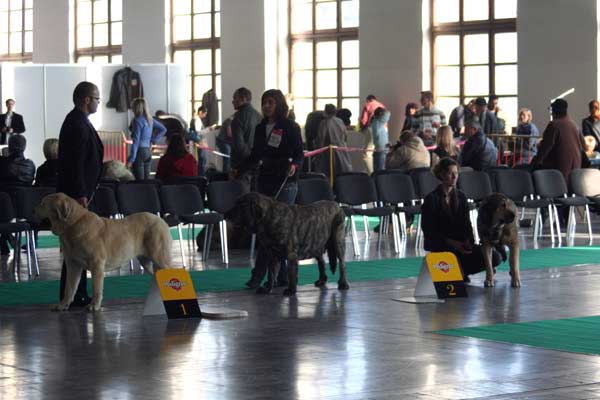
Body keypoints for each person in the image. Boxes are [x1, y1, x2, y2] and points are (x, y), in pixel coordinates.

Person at [240, 89, 303, 290]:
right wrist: (239, 170)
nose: (266, 106)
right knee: (268, 232)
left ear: (279, 104)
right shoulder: (260, 128)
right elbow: (255, 155)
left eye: (270, 102)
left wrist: (295, 165)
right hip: (265, 181)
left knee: (275, 231)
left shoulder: (290, 126)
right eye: (264, 102)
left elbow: (299, 153)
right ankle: (281, 276)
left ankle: (259, 276)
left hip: (285, 181)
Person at [56, 81, 104, 307]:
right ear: (86, 100)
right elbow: (74, 163)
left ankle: (76, 294)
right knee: (75, 246)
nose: (98, 102)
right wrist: (80, 194)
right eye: (96, 98)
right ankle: (74, 295)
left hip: (82, 193)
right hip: (78, 196)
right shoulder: (76, 123)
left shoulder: (79, 121)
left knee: (80, 245)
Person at [421, 157, 501, 281]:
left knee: (495, 257)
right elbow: (429, 230)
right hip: (442, 246)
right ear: (441, 175)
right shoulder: (431, 199)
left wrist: (468, 241)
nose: (454, 177)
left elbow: (467, 223)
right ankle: (459, 273)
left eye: (456, 173)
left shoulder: (461, 196)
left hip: (461, 244)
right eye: (450, 173)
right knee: (452, 269)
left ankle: (462, 272)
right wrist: (453, 243)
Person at [0, 134, 35, 255]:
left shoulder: (2, 163)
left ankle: (5, 240)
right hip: (24, 208)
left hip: (4, 208)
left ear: (9, 147)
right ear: (24, 147)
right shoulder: (30, 165)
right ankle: (6, 239)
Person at [533, 99, 584, 179]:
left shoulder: (554, 125)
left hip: (559, 171)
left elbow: (545, 147)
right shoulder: (574, 125)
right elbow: (582, 146)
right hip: (575, 173)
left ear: (554, 111)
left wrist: (535, 163)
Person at [127, 98, 167, 180]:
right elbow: (163, 129)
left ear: (136, 108)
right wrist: (154, 140)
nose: (132, 110)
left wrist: (131, 159)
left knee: (139, 182)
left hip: (139, 152)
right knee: (147, 180)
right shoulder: (150, 119)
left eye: (133, 107)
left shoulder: (137, 121)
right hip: (148, 151)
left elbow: (136, 141)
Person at [230, 87, 261, 189]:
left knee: (242, 200)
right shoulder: (259, 116)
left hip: (241, 166)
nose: (232, 101)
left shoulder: (237, 118)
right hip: (257, 164)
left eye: (235, 98)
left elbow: (239, 146)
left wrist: (247, 162)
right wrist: (255, 159)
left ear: (243, 99)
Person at [314, 104, 353, 177]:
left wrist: (318, 152)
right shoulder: (340, 121)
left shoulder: (324, 123)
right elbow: (345, 136)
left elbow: (321, 138)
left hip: (329, 152)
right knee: (342, 172)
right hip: (342, 149)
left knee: (329, 174)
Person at [359, 95, 386, 173]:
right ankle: (381, 173)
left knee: (367, 153)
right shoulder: (382, 105)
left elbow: (364, 120)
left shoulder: (368, 105)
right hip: (384, 129)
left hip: (373, 128)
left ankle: (371, 174)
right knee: (380, 153)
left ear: (368, 100)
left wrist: (362, 128)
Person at [188, 106, 210, 176]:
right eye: (204, 114)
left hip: (199, 142)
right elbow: (198, 132)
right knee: (202, 161)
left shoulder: (195, 119)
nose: (205, 115)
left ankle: (201, 176)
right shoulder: (197, 120)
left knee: (202, 161)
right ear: (200, 112)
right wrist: (209, 129)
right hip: (200, 143)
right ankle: (202, 177)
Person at [371, 107, 391, 172]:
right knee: (380, 171)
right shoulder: (377, 123)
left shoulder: (378, 123)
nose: (388, 118)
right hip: (380, 150)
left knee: (380, 169)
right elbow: (388, 114)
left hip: (382, 149)